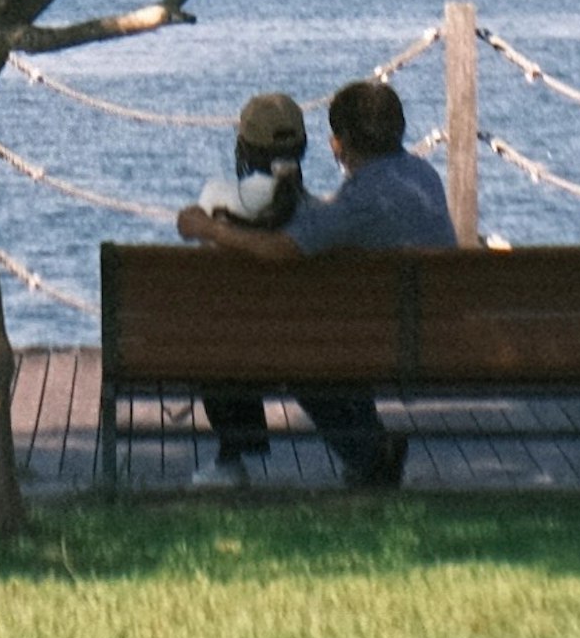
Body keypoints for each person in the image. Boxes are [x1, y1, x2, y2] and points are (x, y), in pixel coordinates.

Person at [173, 70, 456, 489]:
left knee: (304, 353)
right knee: (319, 345)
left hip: (385, 339)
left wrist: (210, 230)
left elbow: (283, 248)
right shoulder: (423, 177)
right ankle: (369, 455)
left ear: (339, 143)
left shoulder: (360, 201)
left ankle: (367, 456)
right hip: (437, 333)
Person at [172, 91, 309, 482]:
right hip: (308, 347)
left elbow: (193, 233)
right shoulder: (316, 211)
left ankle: (232, 457)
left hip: (231, 348)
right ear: (303, 147)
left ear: (243, 146)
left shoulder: (216, 195)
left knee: (225, 332)